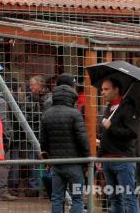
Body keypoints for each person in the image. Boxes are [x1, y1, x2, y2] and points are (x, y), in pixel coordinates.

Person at [39, 79, 90, 213]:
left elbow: (43, 141)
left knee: (57, 198)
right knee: (77, 198)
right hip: (74, 163)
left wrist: (48, 159)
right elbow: (82, 140)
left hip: (56, 163)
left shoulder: (47, 115)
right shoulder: (75, 114)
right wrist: (87, 160)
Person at [97, 78, 139, 213]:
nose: (102, 92)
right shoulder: (108, 108)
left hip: (123, 159)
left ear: (116, 90)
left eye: (106, 89)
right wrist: (100, 155)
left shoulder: (128, 107)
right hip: (107, 160)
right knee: (114, 198)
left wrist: (112, 128)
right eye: (102, 89)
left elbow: (133, 132)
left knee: (128, 197)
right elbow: (105, 135)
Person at [21, 75, 49, 197]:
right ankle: (34, 186)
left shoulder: (48, 98)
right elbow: (25, 112)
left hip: (44, 131)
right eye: (30, 85)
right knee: (33, 159)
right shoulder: (29, 98)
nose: (31, 88)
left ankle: (44, 185)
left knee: (44, 158)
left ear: (40, 85)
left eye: (33, 85)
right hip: (33, 131)